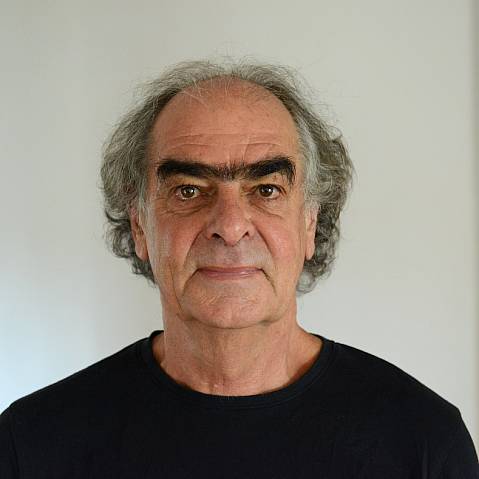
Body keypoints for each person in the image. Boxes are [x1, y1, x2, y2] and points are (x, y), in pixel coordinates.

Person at [1, 59, 478, 478]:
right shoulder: (32, 444)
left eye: (266, 190)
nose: (230, 227)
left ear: (310, 223)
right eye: (189, 190)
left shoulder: (423, 442)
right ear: (139, 225)